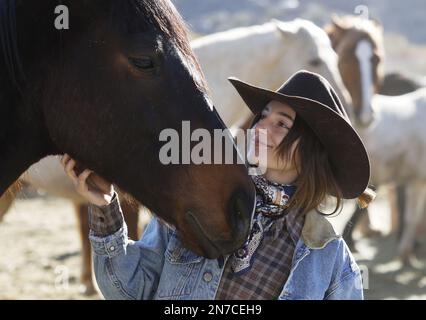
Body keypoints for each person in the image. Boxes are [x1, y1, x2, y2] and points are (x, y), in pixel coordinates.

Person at [61, 70, 374, 300]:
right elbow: (129, 290)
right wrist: (105, 207)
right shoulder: (197, 201)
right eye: (262, 116)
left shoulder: (331, 260)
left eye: (282, 124)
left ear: (310, 151)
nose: (262, 126)